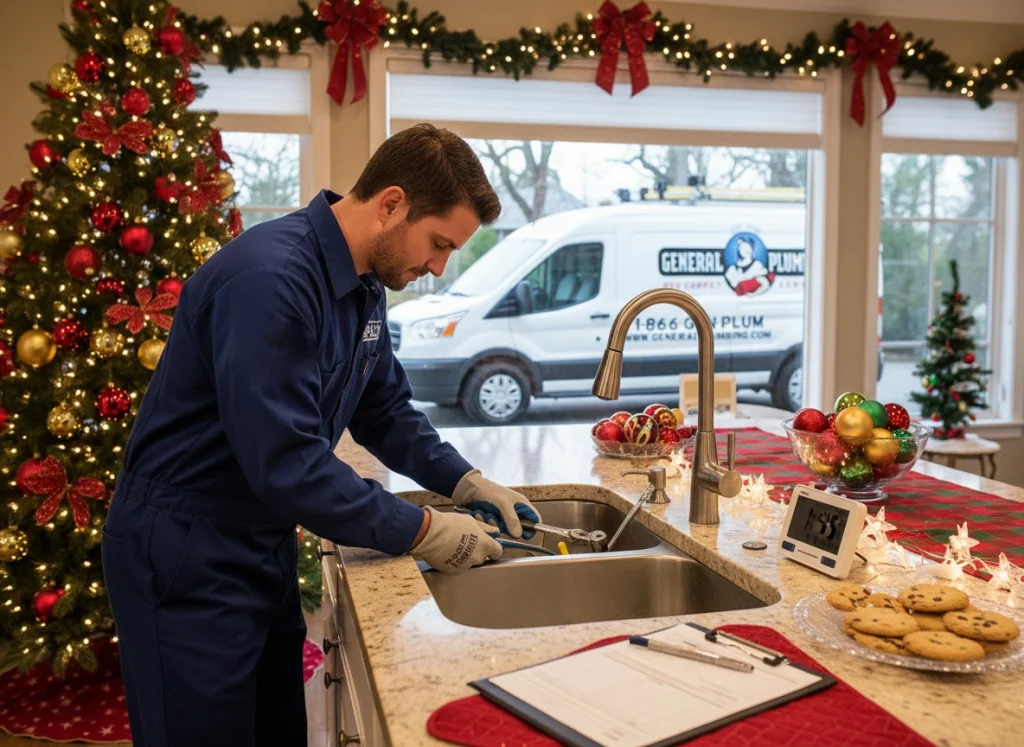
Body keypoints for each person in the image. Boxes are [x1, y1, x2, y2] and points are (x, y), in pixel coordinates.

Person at [101, 123, 541, 746]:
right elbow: (286, 462)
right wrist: (426, 529)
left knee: (275, 730)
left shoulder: (363, 284)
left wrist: (464, 480)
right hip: (184, 547)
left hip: (257, 538)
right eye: (439, 244)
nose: (438, 269)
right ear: (391, 204)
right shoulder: (272, 281)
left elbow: (384, 409)